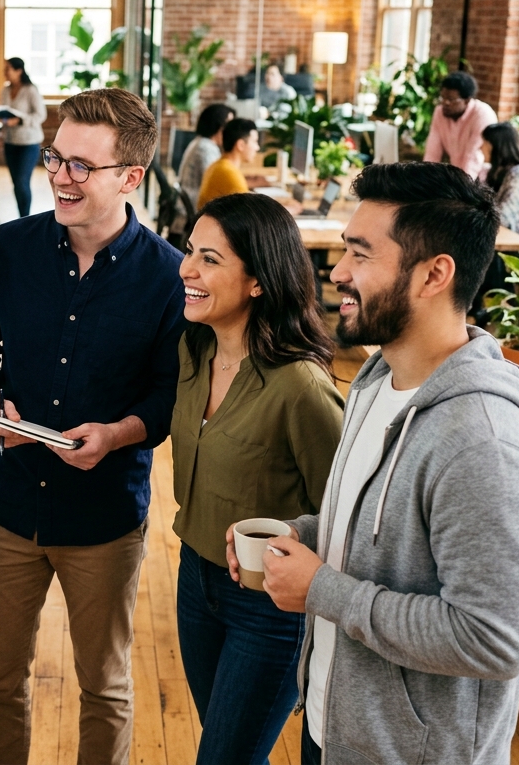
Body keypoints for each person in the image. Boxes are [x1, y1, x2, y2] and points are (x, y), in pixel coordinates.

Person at [244, 163, 519, 764]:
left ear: (435, 274)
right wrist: (299, 536)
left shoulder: (482, 444)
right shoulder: (376, 376)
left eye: (360, 254)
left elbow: (495, 639)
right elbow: (384, 535)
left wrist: (323, 590)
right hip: (336, 730)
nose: (337, 272)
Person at [0, 88, 187, 765]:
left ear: (130, 177)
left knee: (105, 687)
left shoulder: (171, 279)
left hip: (104, 517)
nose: (60, 175)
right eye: (56, 157)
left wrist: (117, 435)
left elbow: (169, 395)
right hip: (5, 503)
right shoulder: (7, 247)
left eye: (82, 166)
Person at [172, 193, 344, 765]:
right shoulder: (193, 350)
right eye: (190, 251)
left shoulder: (299, 385)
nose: (187, 269)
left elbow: (349, 510)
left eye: (211, 259)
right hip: (194, 581)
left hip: (268, 607)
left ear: (257, 282)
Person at [0, 56, 48, 217]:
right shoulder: (5, 90)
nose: (5, 72)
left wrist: (19, 120)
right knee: (16, 184)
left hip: (29, 143)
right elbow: (3, 110)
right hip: (10, 142)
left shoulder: (30, 90)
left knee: (22, 182)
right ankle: (22, 218)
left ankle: (25, 218)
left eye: (7, 69)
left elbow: (41, 115)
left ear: (19, 71)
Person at [423, 71, 497, 180]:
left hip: (480, 180)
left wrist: (461, 189)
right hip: (459, 177)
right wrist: (424, 181)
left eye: (451, 99)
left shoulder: (482, 114)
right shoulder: (440, 112)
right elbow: (432, 153)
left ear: (467, 100)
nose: (445, 103)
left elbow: (472, 158)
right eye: (442, 98)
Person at [482, 121, 519, 237]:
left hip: (513, 242)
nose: (480, 147)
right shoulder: (496, 172)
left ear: (497, 146)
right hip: (495, 236)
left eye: (485, 142)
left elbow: (504, 217)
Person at [178, 102, 236, 206]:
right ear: (219, 127)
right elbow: (218, 181)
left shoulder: (202, 143)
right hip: (196, 206)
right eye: (229, 126)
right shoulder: (205, 148)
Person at [197, 118, 258, 210]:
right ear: (240, 145)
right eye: (254, 141)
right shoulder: (228, 172)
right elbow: (249, 213)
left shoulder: (219, 165)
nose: (257, 147)